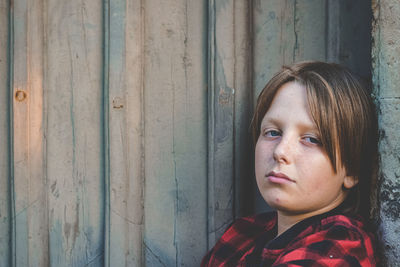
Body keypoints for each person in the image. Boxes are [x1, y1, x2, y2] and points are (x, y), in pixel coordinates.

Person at [201, 61, 378, 266]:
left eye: (311, 139)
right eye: (273, 133)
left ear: (352, 169)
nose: (280, 151)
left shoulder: (340, 246)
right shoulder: (243, 235)